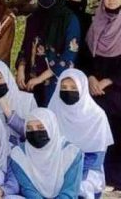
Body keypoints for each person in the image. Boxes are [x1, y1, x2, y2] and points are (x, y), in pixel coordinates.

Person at [16, 0, 80, 106]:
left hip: (53, 82)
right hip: (30, 81)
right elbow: (25, 46)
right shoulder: (33, 18)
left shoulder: (69, 19)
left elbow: (68, 57)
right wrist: (21, 70)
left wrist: (40, 79)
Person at [48, 69, 112, 198]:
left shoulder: (97, 116)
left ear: (82, 88)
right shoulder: (52, 113)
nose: (68, 91)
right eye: (64, 87)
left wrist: (73, 177)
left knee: (81, 188)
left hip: (87, 170)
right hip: (57, 167)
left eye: (73, 87)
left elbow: (96, 158)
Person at [85, 0, 121, 188]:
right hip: (95, 92)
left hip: (117, 91)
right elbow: (85, 58)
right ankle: (98, 179)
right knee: (97, 134)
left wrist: (109, 81)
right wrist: (90, 78)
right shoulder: (95, 24)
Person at [10, 108, 83, 198]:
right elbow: (28, 189)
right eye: (29, 128)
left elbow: (70, 192)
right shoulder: (18, 154)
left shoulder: (72, 153)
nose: (35, 132)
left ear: (52, 127)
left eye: (41, 127)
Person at [65, 0, 93, 72]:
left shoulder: (90, 21)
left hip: (84, 70)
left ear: (82, 0)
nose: (71, 0)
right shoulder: (56, 21)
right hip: (57, 70)